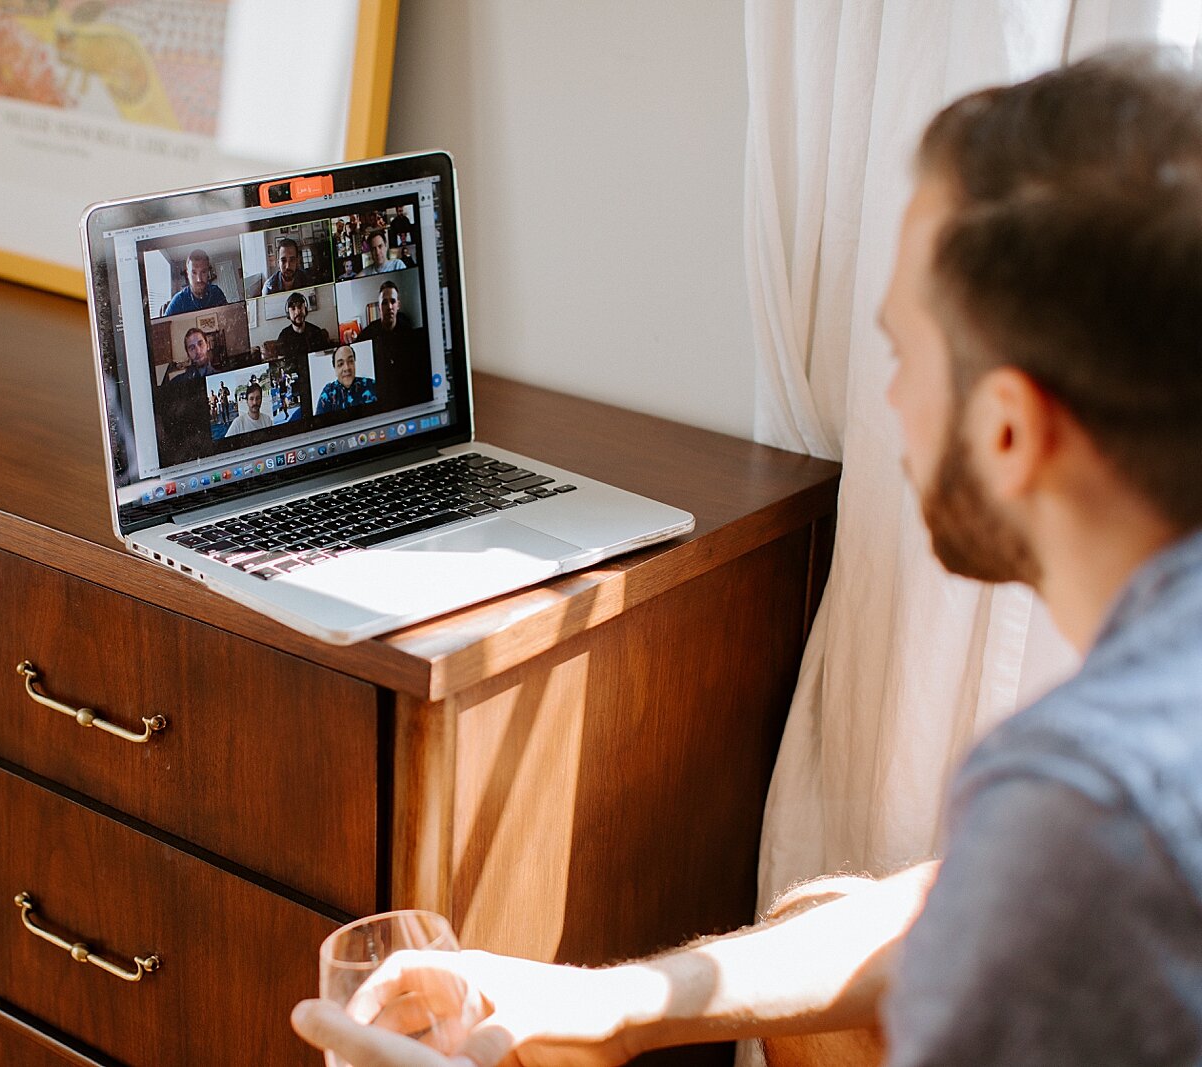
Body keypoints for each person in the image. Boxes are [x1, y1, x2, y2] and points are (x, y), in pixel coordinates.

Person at [292, 49, 1202, 1067]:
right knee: (834, 911)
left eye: (899, 355)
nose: (887, 401)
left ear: (1006, 429)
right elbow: (950, 900)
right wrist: (609, 1007)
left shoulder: (1087, 797)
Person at [162, 249, 228, 315]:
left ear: (208, 272)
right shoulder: (179, 300)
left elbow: (229, 316)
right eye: (194, 272)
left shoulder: (216, 292)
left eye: (203, 272)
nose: (199, 279)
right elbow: (164, 324)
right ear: (188, 274)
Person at [314, 345, 377, 415]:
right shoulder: (328, 393)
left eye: (350, 361)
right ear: (335, 368)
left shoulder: (371, 385)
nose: (346, 368)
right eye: (340, 364)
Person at [277, 291, 332, 358]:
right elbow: (281, 360)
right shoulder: (283, 336)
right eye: (293, 309)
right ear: (288, 313)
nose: (297, 312)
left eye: (300, 307)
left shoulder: (316, 332)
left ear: (305, 309)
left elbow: (324, 357)